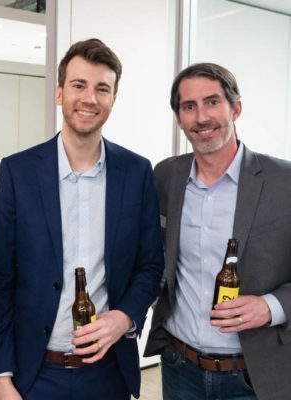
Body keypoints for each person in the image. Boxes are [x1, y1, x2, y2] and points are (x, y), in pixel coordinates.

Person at [0, 38, 164, 400]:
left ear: (113, 99)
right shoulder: (18, 172)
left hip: (108, 374)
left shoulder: (137, 172)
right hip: (35, 374)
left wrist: (125, 317)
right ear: (60, 93)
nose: (89, 98)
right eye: (79, 85)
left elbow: (150, 265)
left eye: (102, 89)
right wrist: (0, 375)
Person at [144, 62, 291, 400]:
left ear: (235, 109)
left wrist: (271, 306)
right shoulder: (165, 177)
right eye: (189, 107)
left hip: (255, 376)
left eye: (212, 102)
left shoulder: (284, 182)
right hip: (179, 367)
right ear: (179, 119)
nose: (201, 117)